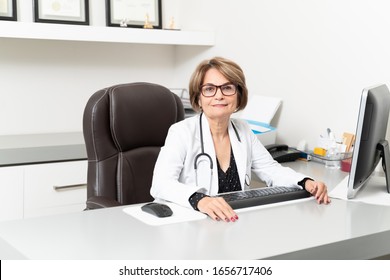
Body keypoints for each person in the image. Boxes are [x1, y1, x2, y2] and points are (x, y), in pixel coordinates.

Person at [151, 56, 331, 222]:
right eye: (209, 89)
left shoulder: (243, 130)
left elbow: (270, 169)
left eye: (227, 88)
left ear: (238, 96)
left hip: (231, 221)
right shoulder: (181, 132)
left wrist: (306, 182)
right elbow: (160, 184)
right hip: (191, 222)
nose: (219, 95)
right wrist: (199, 199)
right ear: (198, 98)